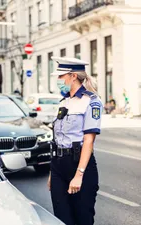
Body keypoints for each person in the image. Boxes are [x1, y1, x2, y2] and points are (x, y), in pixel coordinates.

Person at [48, 57, 102, 225]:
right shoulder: (64, 101)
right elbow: (58, 139)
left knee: (82, 219)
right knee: (61, 218)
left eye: (61, 76)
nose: (58, 80)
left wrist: (79, 175)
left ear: (72, 76)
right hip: (58, 165)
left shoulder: (91, 102)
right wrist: (52, 171)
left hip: (79, 165)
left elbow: (88, 141)